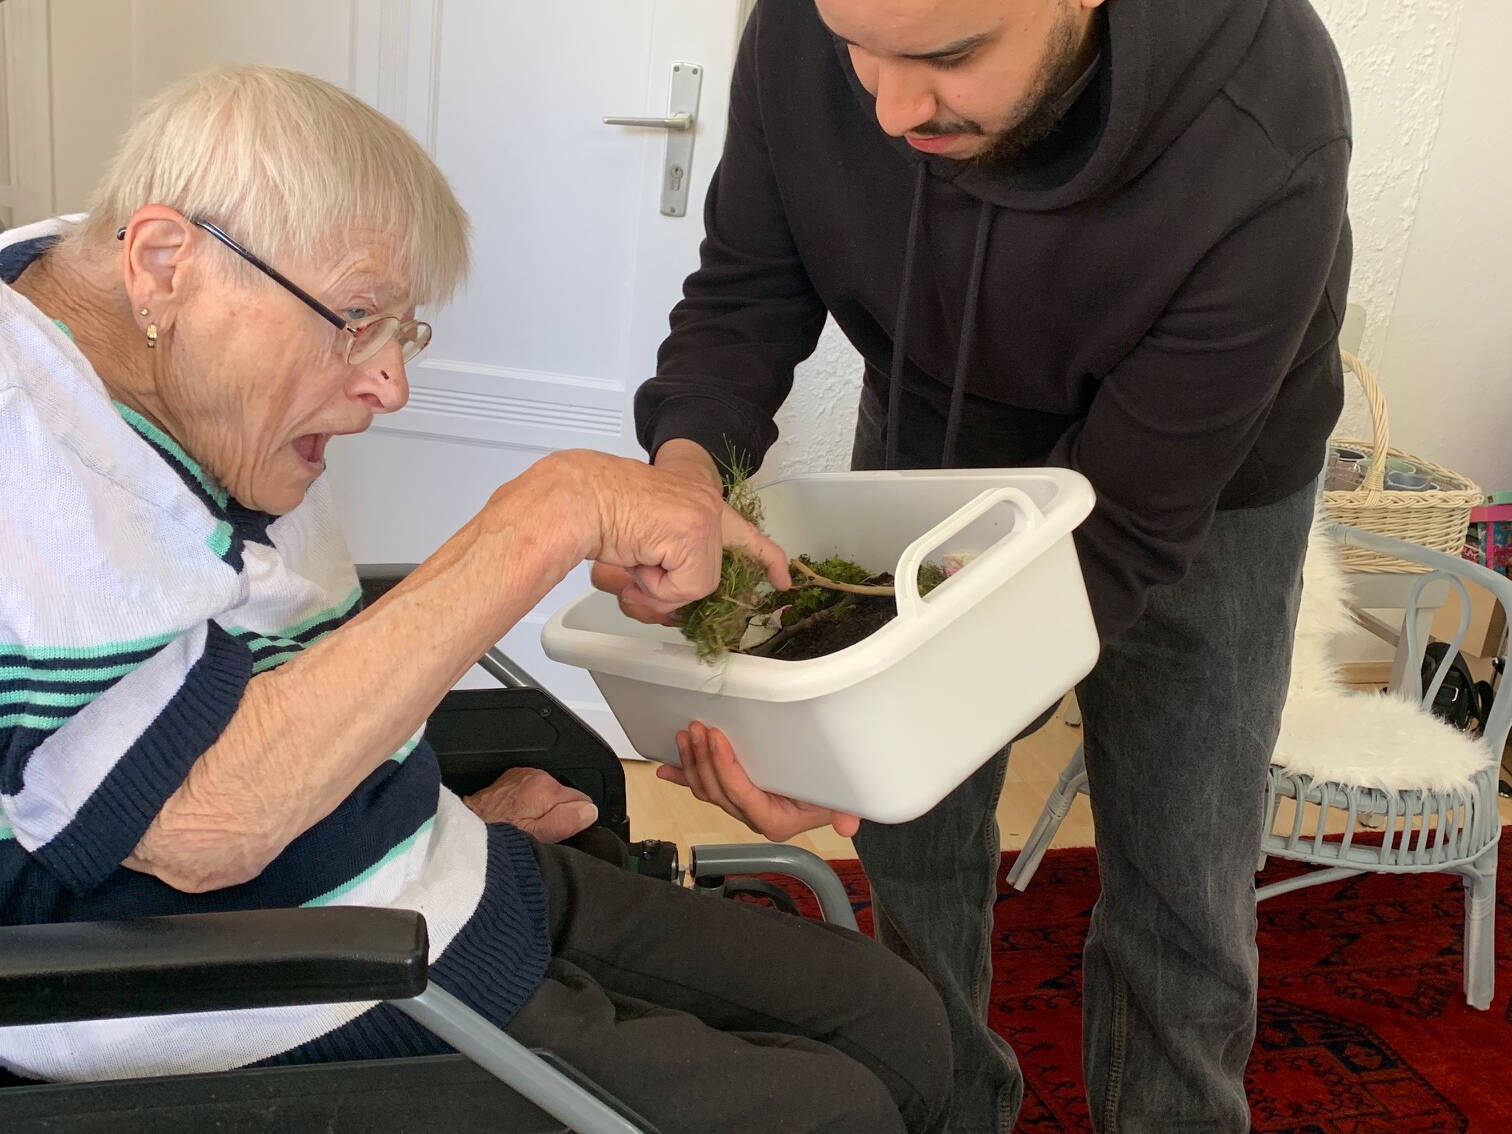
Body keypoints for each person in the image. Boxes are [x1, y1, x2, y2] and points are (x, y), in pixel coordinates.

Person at [0, 65, 952, 1134]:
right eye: (354, 319)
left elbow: (264, 658)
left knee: (900, 1021)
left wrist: (441, 803)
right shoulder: (28, 451)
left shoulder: (138, 322)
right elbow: (197, 825)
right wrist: (549, 514)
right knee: (835, 1114)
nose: (388, 384)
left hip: (418, 873)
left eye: (399, 332)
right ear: (166, 262)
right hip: (270, 991)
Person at [597, 0, 1352, 1130]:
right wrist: (686, 478)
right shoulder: (804, 31)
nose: (891, 109)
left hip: (1200, 490)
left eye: (948, 58)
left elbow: (1119, 537)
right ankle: (948, 1107)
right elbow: (746, 293)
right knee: (913, 852)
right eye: (861, 50)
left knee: (1184, 887)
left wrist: (889, 719)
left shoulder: (1265, 116)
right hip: (932, 446)